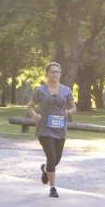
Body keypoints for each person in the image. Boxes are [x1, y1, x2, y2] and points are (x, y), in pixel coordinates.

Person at [27, 62, 76, 198]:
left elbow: (74, 107)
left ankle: (45, 169)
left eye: (57, 72)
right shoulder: (40, 90)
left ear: (60, 74)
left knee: (56, 159)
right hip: (44, 128)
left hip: (60, 129)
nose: (55, 74)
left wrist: (68, 112)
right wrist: (34, 115)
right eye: (52, 72)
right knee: (51, 156)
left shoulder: (66, 90)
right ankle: (53, 188)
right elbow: (30, 105)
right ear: (47, 74)